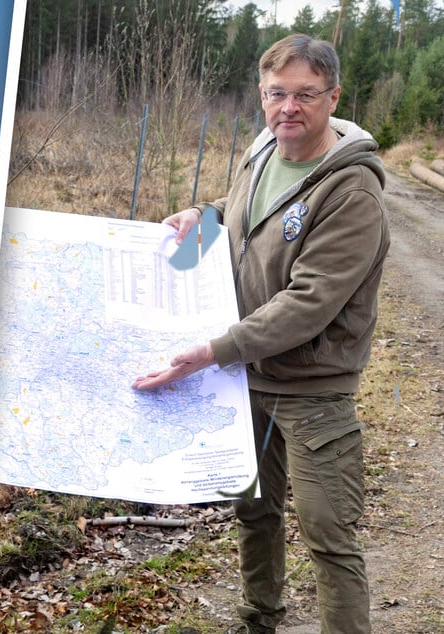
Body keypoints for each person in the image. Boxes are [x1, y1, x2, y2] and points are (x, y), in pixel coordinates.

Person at [133, 34, 389, 634]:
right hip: (247, 380)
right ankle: (259, 620)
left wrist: (212, 351)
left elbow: (310, 302)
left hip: (312, 389)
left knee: (328, 535)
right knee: (255, 512)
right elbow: (248, 214)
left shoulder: (352, 191)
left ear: (333, 97)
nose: (288, 108)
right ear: (261, 93)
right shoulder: (262, 152)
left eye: (305, 95)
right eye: (277, 94)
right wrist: (205, 212)